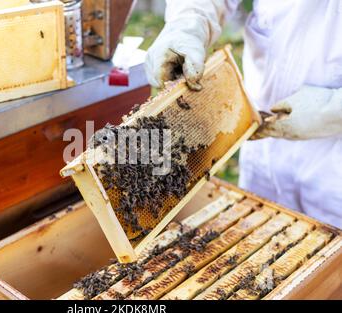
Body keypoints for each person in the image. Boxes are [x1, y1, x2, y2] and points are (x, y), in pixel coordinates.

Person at [144, 0, 342, 228]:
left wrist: (334, 108)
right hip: (262, 147)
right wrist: (188, 22)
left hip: (335, 172)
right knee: (254, 234)